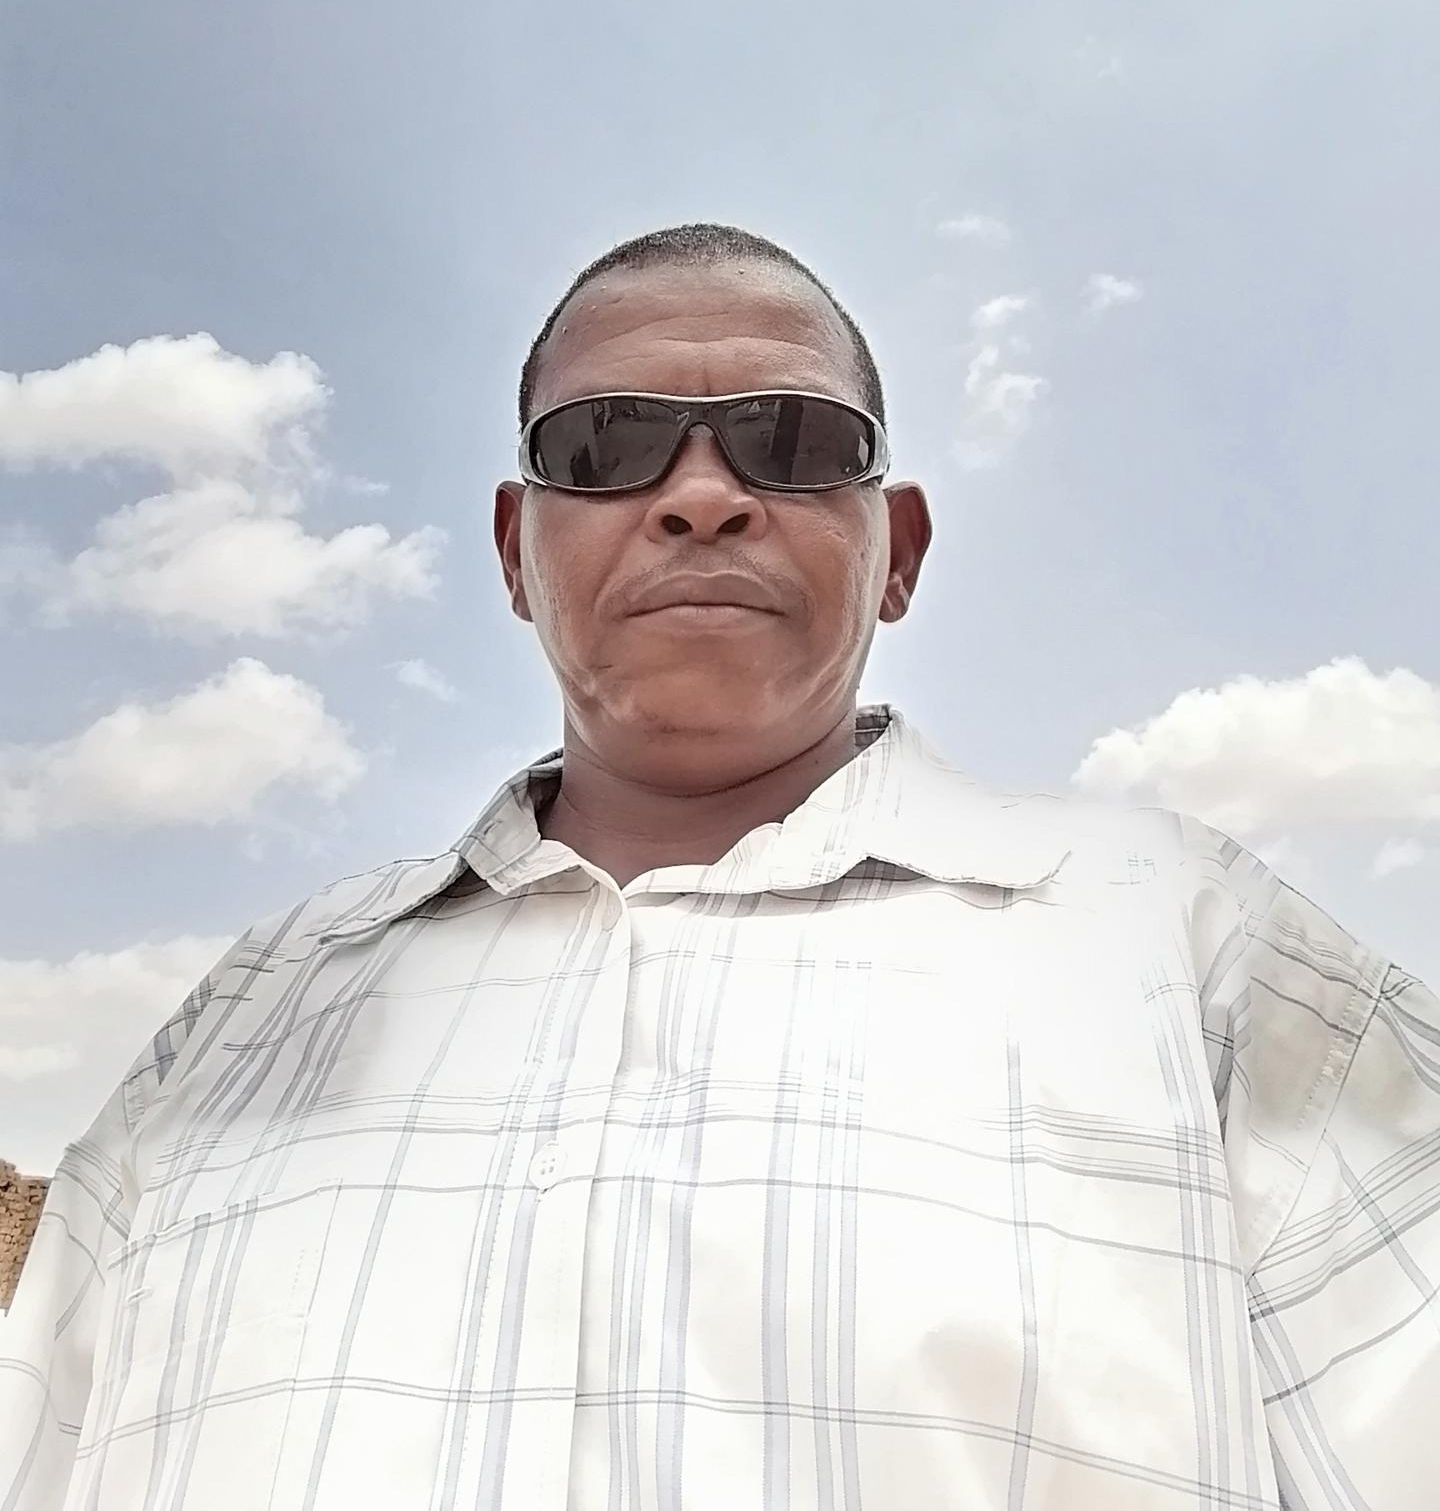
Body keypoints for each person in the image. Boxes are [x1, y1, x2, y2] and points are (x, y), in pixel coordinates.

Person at [2, 222, 1436, 1510]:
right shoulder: (253, 1016)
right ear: (515, 551)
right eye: (603, 445)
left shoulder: (1183, 950)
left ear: (897, 551)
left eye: (793, 443)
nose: (701, 496)